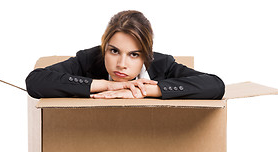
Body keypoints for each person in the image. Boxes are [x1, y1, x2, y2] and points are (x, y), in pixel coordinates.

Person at [25, 10, 225, 100]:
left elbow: (215, 85)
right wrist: (109, 85)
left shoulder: (162, 65)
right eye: (114, 51)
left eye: (134, 55)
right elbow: (35, 81)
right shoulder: (88, 60)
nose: (121, 64)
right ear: (104, 47)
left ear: (146, 56)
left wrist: (145, 91)